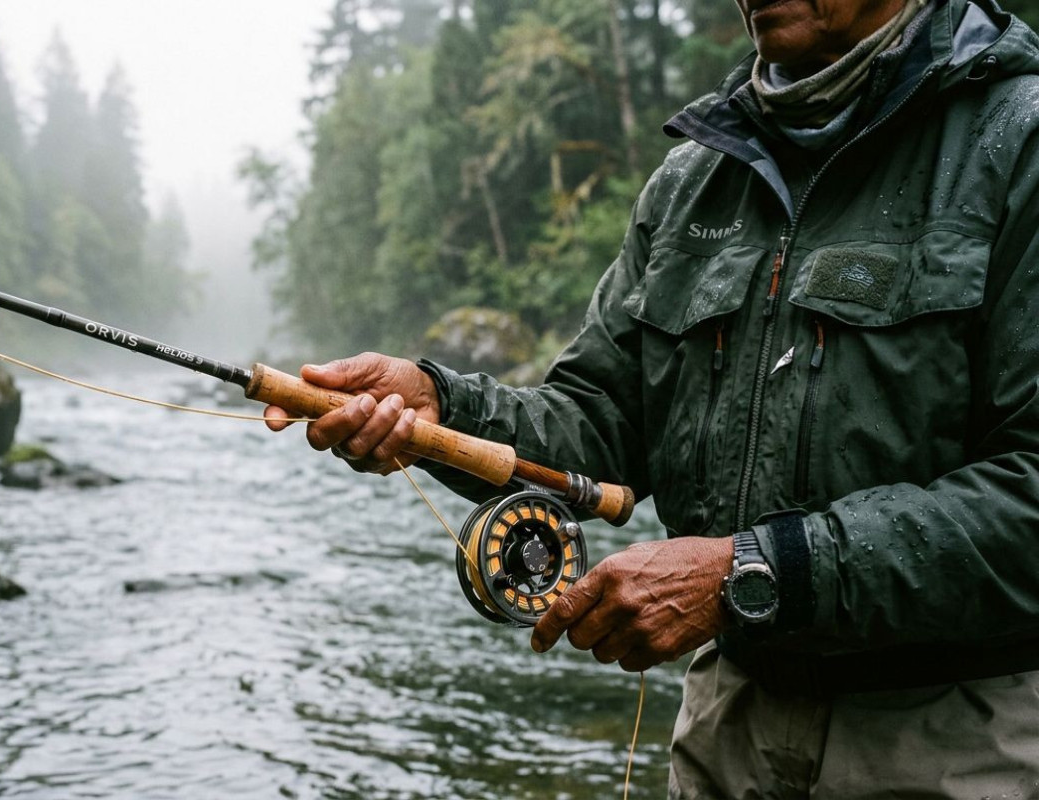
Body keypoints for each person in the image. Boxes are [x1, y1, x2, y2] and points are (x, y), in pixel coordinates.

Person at [265, 0, 1039, 793]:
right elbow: (600, 419)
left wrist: (750, 573)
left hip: (959, 733)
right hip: (727, 727)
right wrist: (441, 406)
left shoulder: (1020, 141)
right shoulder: (693, 181)